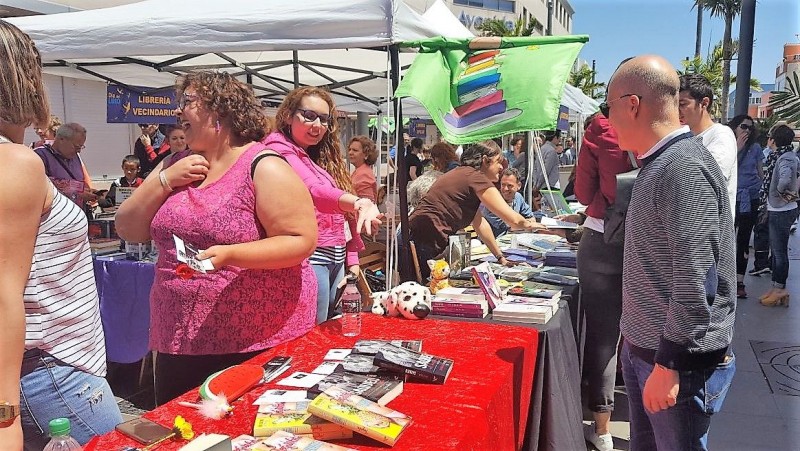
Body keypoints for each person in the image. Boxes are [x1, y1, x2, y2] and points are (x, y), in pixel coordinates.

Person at [115, 71, 319, 405]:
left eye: (188, 103)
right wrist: (164, 180)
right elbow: (128, 228)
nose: (179, 112)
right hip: (178, 336)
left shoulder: (263, 165)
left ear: (220, 111)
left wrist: (231, 255)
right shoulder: (174, 162)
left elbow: (300, 239)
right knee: (182, 430)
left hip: (253, 339)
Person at [0, 20, 122, 449]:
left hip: (48, 368)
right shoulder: (14, 161)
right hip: (51, 372)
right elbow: (2, 296)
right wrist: (4, 417)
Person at [607, 55, 736, 451]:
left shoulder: (681, 168)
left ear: (633, 104)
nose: (608, 120)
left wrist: (669, 362)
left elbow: (696, 278)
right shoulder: (659, 163)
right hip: (646, 351)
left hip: (675, 362)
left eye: (609, 107)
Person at [262, 86, 382, 324]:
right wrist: (358, 202)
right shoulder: (278, 151)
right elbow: (315, 191)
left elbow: (340, 219)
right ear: (288, 115)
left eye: (324, 119)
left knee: (330, 325)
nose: (317, 125)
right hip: (310, 256)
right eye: (309, 115)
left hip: (335, 255)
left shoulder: (316, 158)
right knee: (313, 330)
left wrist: (352, 261)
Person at [572, 112, 635, 451]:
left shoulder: (598, 131)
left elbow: (582, 193)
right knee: (647, 332)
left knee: (603, 337)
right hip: (647, 240)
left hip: (601, 239)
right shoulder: (663, 127)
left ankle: (602, 428)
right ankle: (648, 425)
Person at [407, 140, 547, 281]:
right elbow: (513, 219)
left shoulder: (464, 175)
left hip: (417, 238)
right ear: (485, 161)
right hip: (421, 241)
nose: (501, 167)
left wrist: (500, 257)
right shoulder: (475, 177)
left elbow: (480, 223)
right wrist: (534, 225)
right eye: (498, 162)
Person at [678, 74, 737, 219]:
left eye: (683, 104)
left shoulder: (721, 134)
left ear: (704, 103)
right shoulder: (685, 137)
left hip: (712, 232)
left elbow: (707, 182)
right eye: (674, 105)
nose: (676, 111)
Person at [759, 124, 799, 307]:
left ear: (774, 139)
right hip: (778, 208)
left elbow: (785, 179)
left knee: (779, 253)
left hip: (782, 210)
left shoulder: (786, 158)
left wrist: (779, 192)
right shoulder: (783, 155)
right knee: (777, 252)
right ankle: (776, 288)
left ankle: (780, 288)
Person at [728, 115, 763, 298]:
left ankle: (739, 281)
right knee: (725, 239)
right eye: (743, 126)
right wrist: (737, 148)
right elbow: (724, 168)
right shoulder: (728, 146)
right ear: (735, 127)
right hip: (732, 197)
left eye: (750, 128)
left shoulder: (756, 148)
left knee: (743, 241)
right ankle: (724, 280)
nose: (747, 131)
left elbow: (760, 172)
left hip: (750, 198)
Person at [33, 122, 99, 213]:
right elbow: (41, 189)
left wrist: (87, 191)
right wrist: (77, 194)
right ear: (61, 139)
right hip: (55, 217)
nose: (79, 151)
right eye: (76, 146)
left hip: (78, 214)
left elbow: (78, 181)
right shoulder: (39, 156)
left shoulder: (75, 156)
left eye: (81, 147)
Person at [480, 168, 535, 237]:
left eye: (509, 185)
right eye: (503, 185)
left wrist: (528, 223)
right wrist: (527, 225)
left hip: (514, 239)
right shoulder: (494, 201)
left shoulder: (518, 197)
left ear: (519, 186)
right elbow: (510, 226)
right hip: (495, 241)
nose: (505, 189)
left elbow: (530, 217)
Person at [348, 135, 378, 202]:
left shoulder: (364, 174)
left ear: (366, 155)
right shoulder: (358, 171)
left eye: (355, 150)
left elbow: (367, 203)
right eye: (349, 149)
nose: (350, 153)